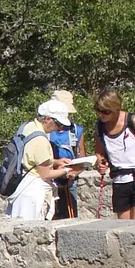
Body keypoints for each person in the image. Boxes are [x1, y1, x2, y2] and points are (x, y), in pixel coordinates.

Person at [5, 99, 80, 220]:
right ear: (48, 119)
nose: (59, 128)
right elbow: (46, 174)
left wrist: (56, 162)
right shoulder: (41, 140)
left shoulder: (27, 127)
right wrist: (68, 170)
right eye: (58, 124)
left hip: (21, 187)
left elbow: (32, 159)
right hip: (34, 195)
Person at [93, 88, 135, 220]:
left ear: (115, 109)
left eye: (106, 111)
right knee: (124, 229)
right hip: (119, 181)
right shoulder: (100, 127)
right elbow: (99, 153)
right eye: (98, 110)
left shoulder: (132, 121)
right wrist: (100, 162)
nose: (101, 115)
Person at [48, 89, 86, 219]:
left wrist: (74, 172)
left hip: (69, 184)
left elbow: (81, 158)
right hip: (48, 184)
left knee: (70, 220)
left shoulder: (76, 131)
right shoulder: (43, 131)